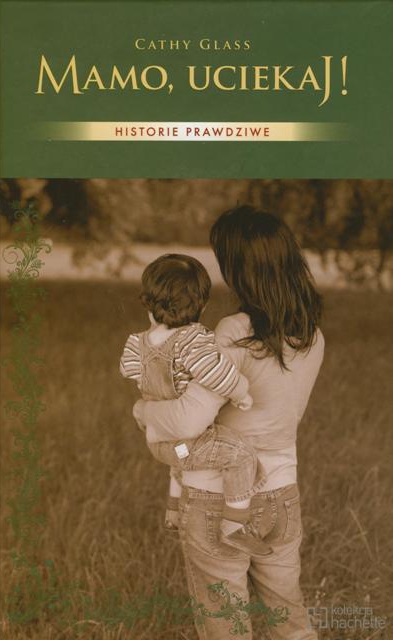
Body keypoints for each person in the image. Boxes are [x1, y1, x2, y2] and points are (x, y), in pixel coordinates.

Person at [133, 206, 325, 640]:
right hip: (280, 494)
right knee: (290, 620)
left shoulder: (234, 332)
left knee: (226, 624)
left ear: (240, 269)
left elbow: (189, 419)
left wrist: (144, 412)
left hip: (216, 499)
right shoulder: (311, 336)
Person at [119, 253, 269, 555]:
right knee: (241, 456)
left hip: (162, 445)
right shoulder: (193, 340)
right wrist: (242, 394)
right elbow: (218, 374)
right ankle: (235, 524)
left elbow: (129, 370)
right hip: (188, 444)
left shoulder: (136, 343)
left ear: (148, 304)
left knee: (181, 459)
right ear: (202, 306)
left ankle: (173, 510)